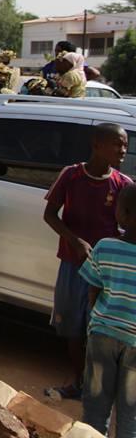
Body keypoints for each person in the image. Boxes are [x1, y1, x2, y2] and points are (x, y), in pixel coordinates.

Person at [43, 123, 132, 401]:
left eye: (125, 145)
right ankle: (78, 383)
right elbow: (50, 214)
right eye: (117, 144)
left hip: (106, 273)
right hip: (73, 264)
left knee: (99, 328)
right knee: (71, 327)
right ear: (97, 145)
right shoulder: (71, 176)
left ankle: (99, 388)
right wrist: (75, 241)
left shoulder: (123, 185)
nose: (123, 150)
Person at [79, 182, 136, 437]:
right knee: (131, 411)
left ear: (121, 214)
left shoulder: (104, 247)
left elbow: (93, 289)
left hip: (103, 335)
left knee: (96, 404)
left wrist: (95, 320)